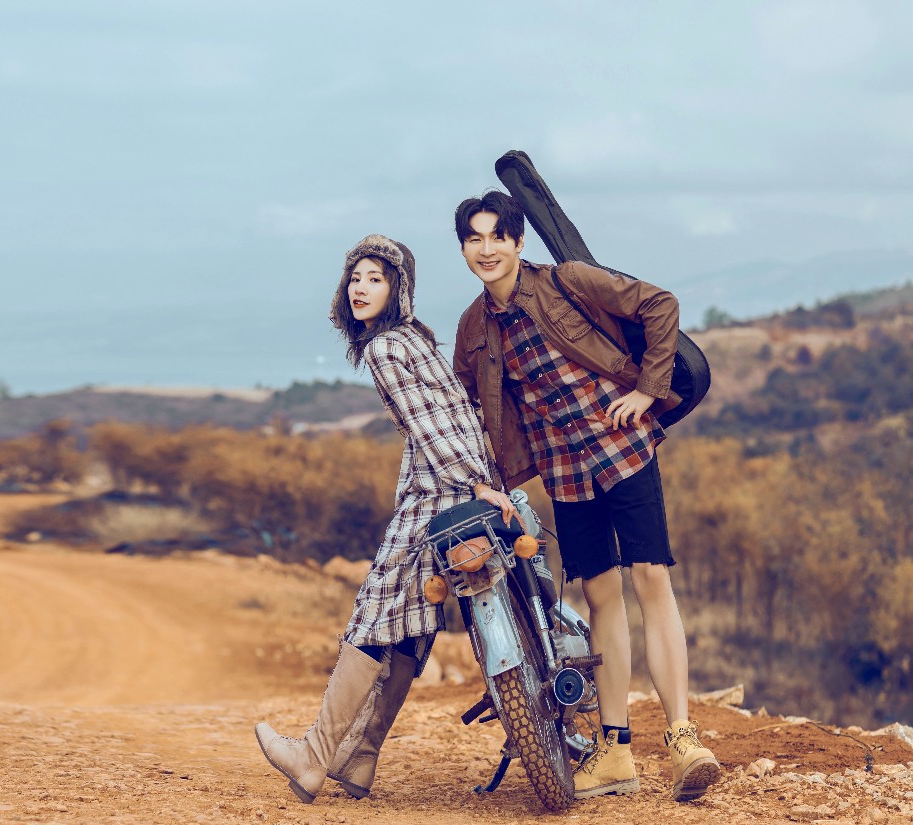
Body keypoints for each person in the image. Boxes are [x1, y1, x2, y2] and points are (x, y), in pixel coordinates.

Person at [450, 191, 720, 802]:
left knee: (651, 578)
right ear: (464, 249)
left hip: (624, 448)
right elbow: (470, 408)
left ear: (518, 241)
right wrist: (480, 476)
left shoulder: (565, 282)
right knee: (600, 598)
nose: (487, 249)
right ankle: (615, 752)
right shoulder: (472, 329)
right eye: (474, 238)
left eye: (497, 236)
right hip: (563, 472)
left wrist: (647, 390)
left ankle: (683, 741)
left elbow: (659, 303)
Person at [255, 234, 515, 804]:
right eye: (355, 277)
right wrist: (484, 480)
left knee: (374, 617)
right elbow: (458, 414)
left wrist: (472, 481)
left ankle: (314, 757)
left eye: (375, 278)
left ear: (399, 289)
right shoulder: (415, 339)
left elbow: (431, 425)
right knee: (409, 625)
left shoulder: (386, 348)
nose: (361, 288)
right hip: (463, 489)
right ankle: (361, 756)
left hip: (433, 500)